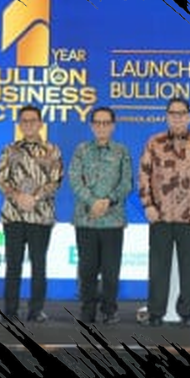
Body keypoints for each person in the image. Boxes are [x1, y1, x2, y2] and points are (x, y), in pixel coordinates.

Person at [138, 97, 190, 327]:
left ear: (189, 116)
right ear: (167, 116)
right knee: (158, 267)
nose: (177, 118)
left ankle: (186, 311)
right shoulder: (154, 142)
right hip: (160, 215)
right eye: (173, 113)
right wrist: (147, 205)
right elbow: (143, 174)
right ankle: (156, 312)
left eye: (182, 113)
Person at [0, 105, 63, 323]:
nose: (29, 124)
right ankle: (10, 310)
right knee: (13, 265)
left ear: (40, 124)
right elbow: (1, 179)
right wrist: (18, 196)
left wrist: (35, 197)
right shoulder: (9, 150)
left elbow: (56, 181)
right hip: (13, 216)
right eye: (24, 121)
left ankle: (36, 311)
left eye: (33, 120)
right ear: (19, 124)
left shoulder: (52, 150)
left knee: (38, 265)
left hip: (41, 216)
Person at [69, 107, 132, 325]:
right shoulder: (81, 150)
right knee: (87, 269)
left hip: (113, 220)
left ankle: (109, 310)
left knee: (110, 270)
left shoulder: (121, 151)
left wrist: (108, 201)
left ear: (113, 126)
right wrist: (92, 201)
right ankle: (87, 309)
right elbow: (74, 179)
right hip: (86, 219)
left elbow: (126, 183)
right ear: (92, 126)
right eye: (98, 122)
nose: (102, 127)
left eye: (106, 123)